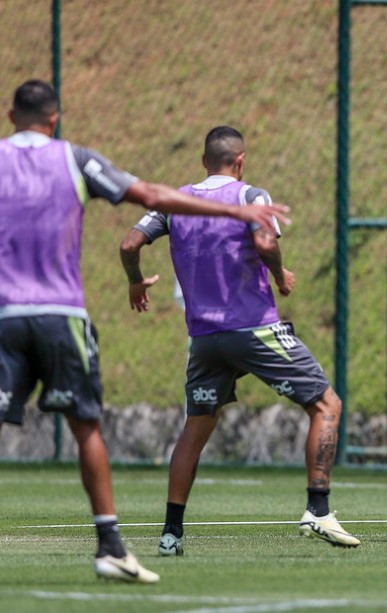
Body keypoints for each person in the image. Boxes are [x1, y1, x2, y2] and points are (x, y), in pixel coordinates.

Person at [0, 80, 289, 584]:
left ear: (9, 116)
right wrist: (234, 209)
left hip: (4, 315)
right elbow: (153, 196)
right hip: (60, 315)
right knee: (85, 425)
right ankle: (111, 546)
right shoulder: (76, 159)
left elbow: (139, 231)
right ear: (55, 118)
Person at [119, 125, 360, 556]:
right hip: (253, 328)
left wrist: (136, 282)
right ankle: (318, 509)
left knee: (195, 428)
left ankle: (171, 533)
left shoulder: (177, 201)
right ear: (241, 160)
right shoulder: (250, 196)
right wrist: (280, 275)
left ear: (203, 161)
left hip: (205, 339)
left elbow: (129, 243)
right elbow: (265, 240)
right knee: (327, 405)